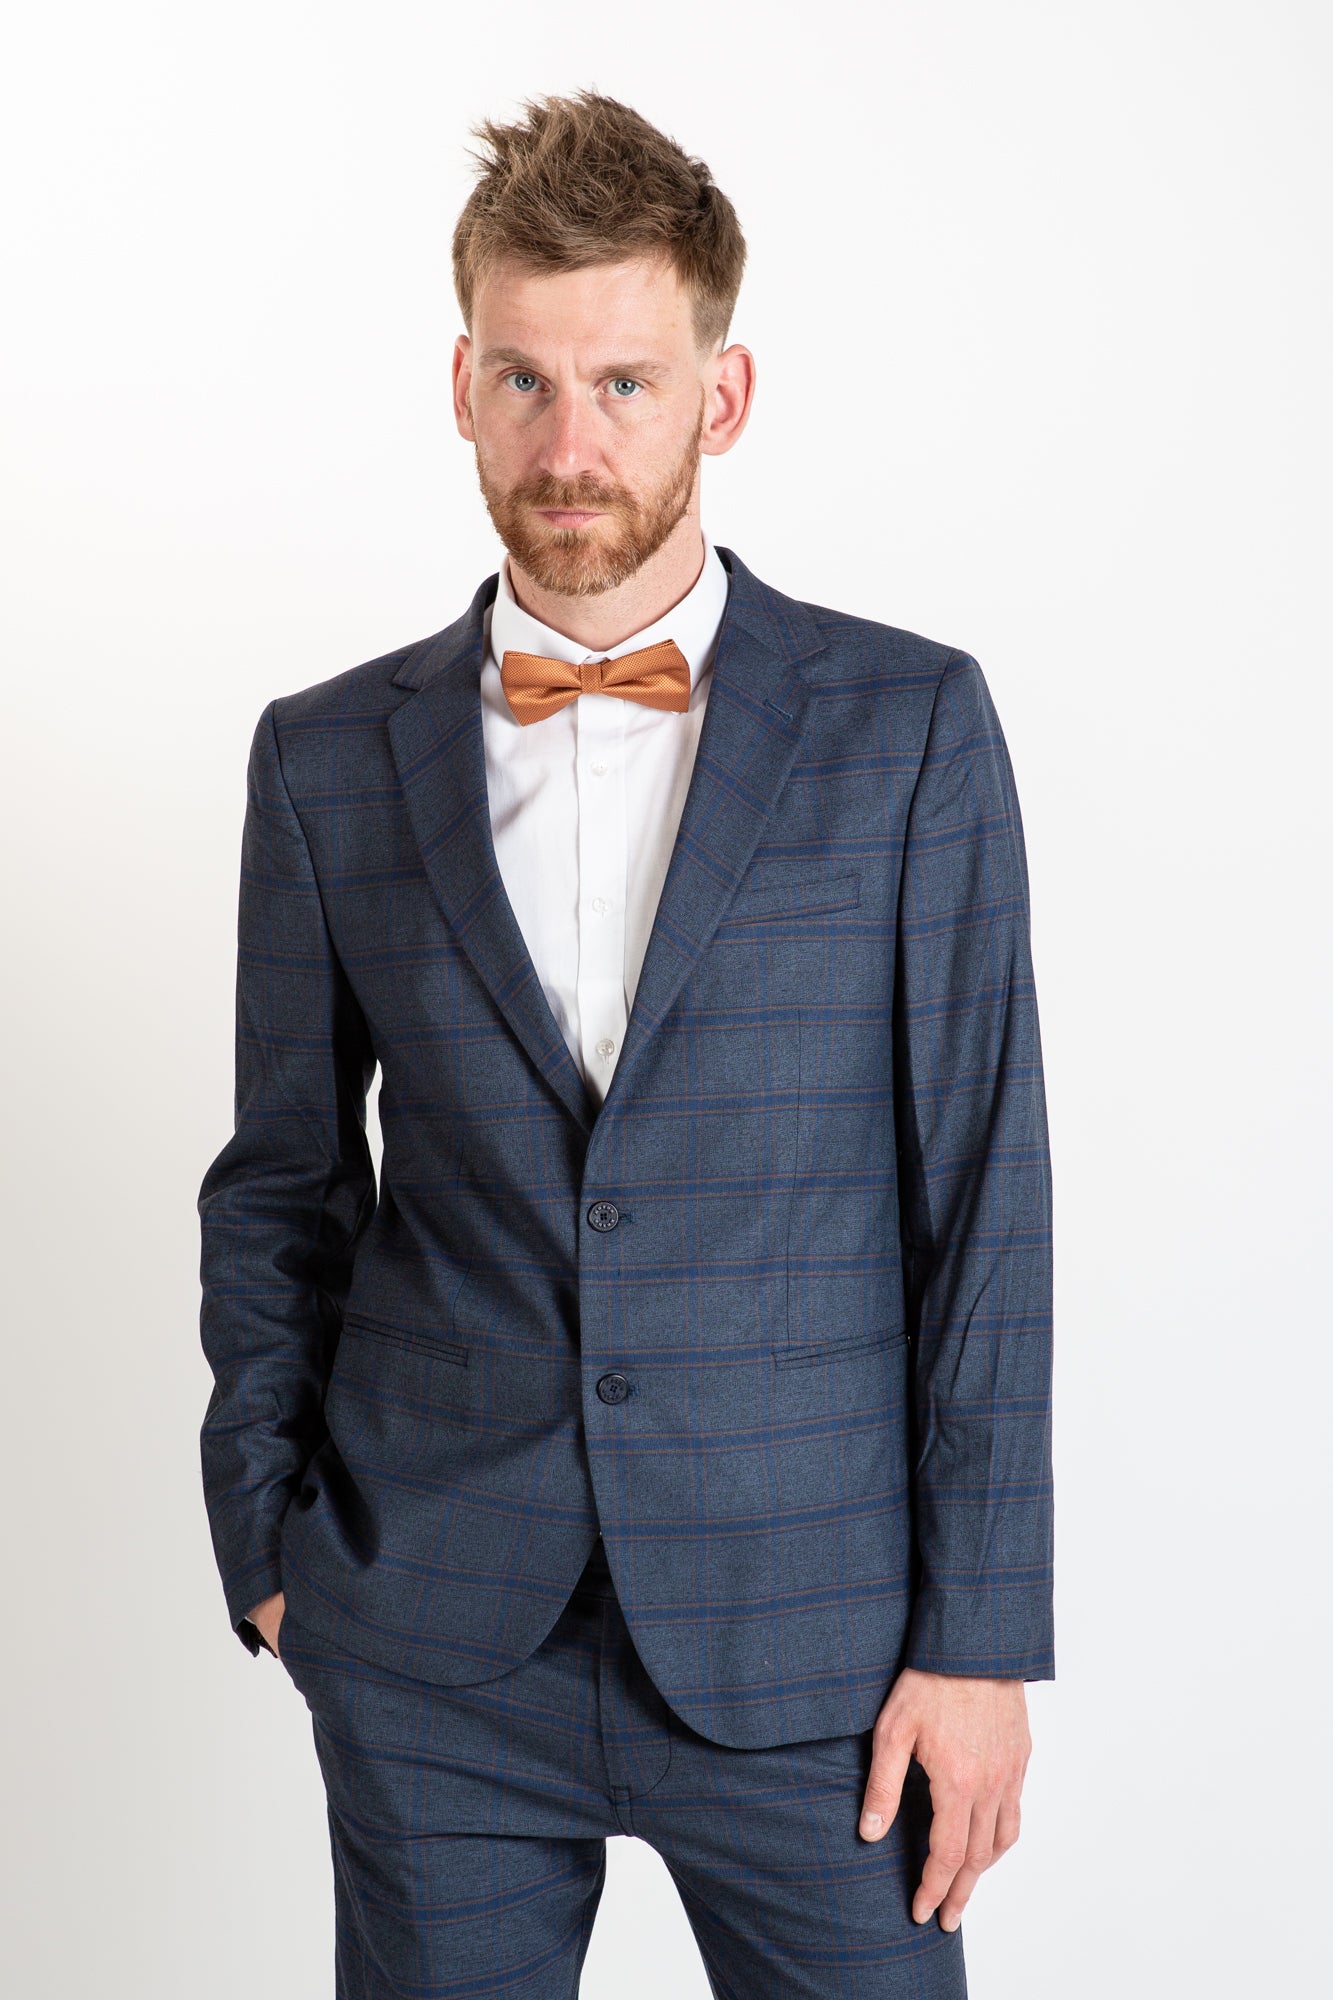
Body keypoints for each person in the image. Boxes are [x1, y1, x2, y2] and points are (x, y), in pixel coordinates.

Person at [197, 88, 1054, 2000]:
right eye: (523, 380)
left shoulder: (909, 729)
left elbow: (982, 1204)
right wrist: (269, 1548)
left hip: (819, 1655)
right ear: (461, 384)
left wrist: (980, 1639)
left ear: (718, 398)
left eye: (623, 385)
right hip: (430, 1647)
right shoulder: (325, 760)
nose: (568, 445)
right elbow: (279, 1190)